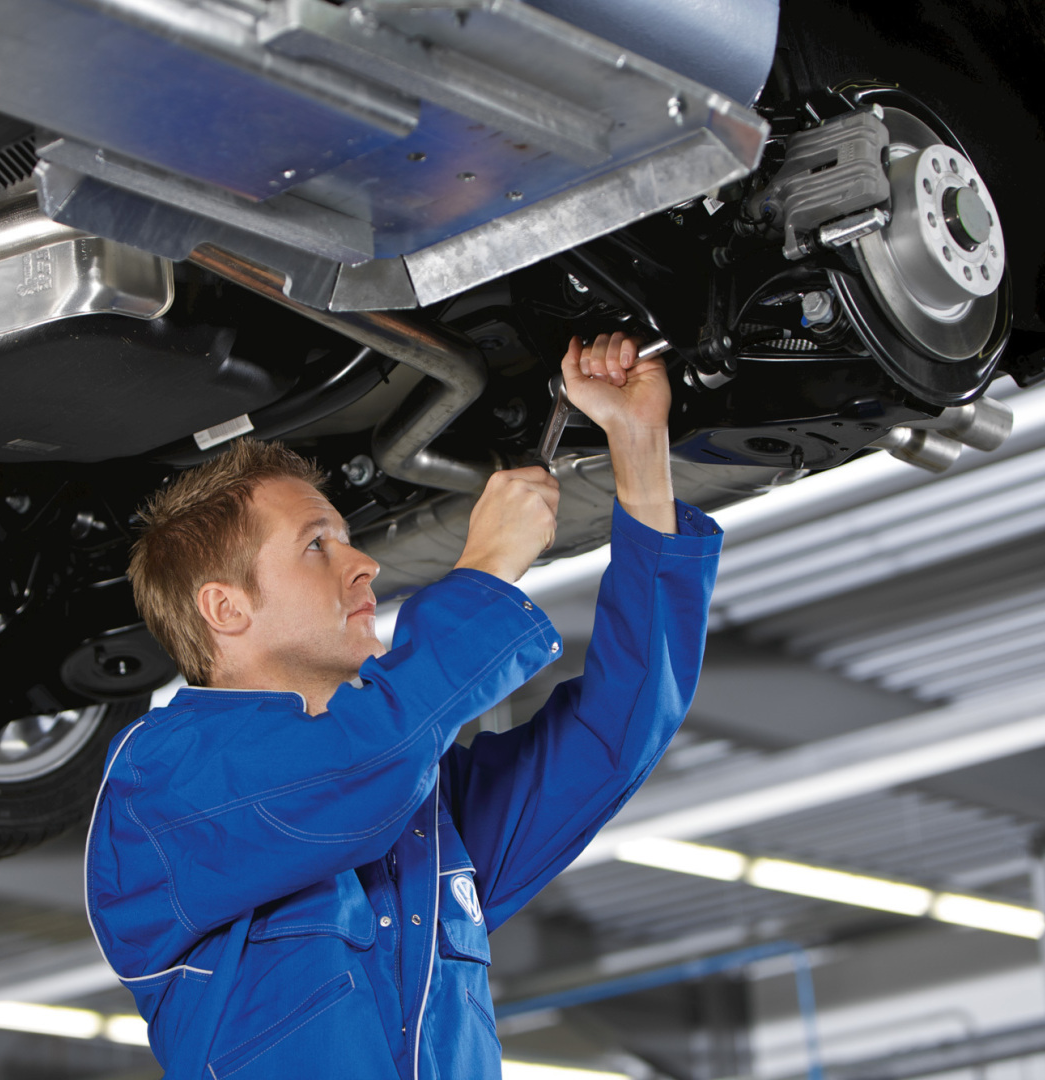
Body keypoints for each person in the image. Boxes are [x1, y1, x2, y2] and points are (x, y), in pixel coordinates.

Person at [85, 331, 722, 1079]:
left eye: (347, 541)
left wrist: (638, 447)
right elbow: (360, 762)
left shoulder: (421, 810)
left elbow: (618, 727)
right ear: (225, 608)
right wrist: (485, 568)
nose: (365, 564)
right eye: (317, 545)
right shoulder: (160, 787)